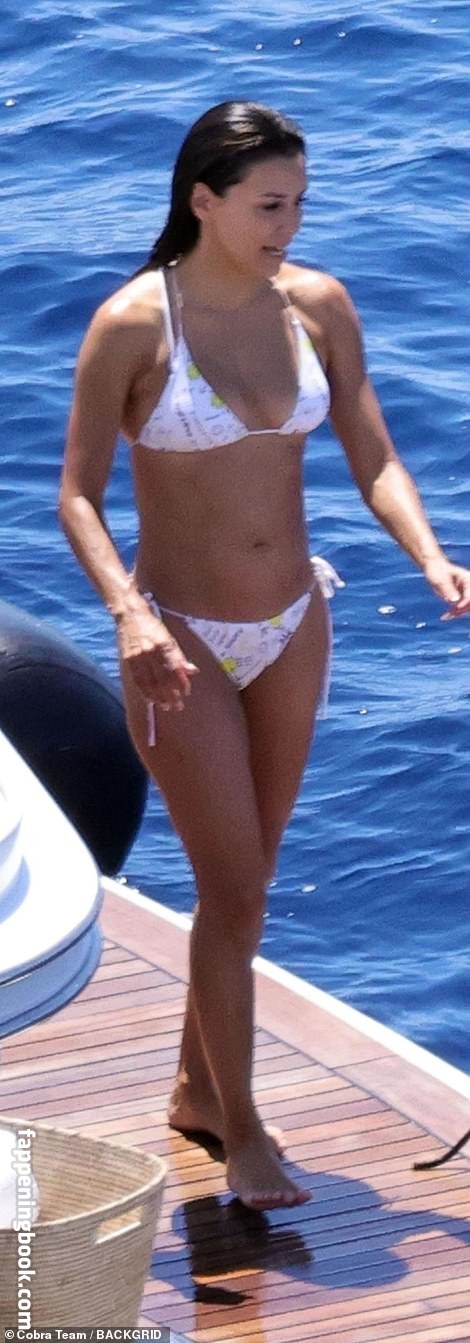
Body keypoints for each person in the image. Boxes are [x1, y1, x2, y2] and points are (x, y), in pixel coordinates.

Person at [59, 100, 470, 1211]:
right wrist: (129, 615)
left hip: (294, 622)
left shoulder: (316, 306)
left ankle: (199, 1086)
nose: (290, 226)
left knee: (248, 885)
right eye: (269, 205)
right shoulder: (134, 324)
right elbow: (77, 496)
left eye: (299, 204)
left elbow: (372, 452)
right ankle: (242, 1132)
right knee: (232, 888)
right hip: (177, 639)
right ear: (204, 201)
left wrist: (431, 554)